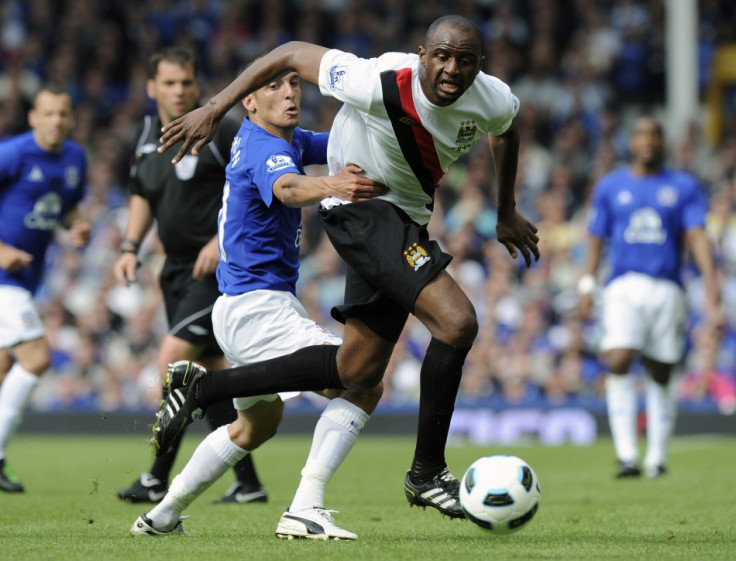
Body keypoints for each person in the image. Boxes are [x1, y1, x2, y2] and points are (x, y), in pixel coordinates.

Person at [152, 14, 539, 519]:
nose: (451, 70)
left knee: (357, 373)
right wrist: (213, 107)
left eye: (465, 61)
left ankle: (201, 397)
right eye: (441, 57)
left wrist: (505, 208)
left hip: (401, 221)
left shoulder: (493, 98)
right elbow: (290, 54)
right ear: (421, 56)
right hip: (361, 216)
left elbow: (507, 130)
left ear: (480, 66)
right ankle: (425, 471)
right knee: (458, 321)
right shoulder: (374, 81)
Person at [131, 68, 387, 539]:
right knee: (361, 381)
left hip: (241, 307)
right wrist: (334, 185)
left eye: (294, 83)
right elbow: (288, 188)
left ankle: (162, 515)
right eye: (273, 86)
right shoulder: (265, 148)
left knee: (255, 428)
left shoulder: (283, 140)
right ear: (247, 103)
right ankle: (305, 506)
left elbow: (336, 143)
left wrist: (394, 135)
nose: (289, 92)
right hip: (257, 308)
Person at [113, 47, 267, 504]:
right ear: (152, 88)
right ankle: (248, 484)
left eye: (186, 82)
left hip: (219, 269)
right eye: (170, 83)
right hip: (175, 272)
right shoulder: (145, 136)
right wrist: (129, 245)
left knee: (174, 363)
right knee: (210, 375)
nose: (179, 91)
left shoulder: (221, 131)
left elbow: (252, 186)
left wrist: (219, 240)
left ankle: (157, 478)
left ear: (198, 86)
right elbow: (142, 190)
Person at [578, 116, 722, 478]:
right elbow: (596, 238)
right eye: (641, 134)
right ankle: (627, 455)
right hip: (623, 284)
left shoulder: (683, 186)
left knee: (661, 370)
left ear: (662, 142)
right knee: (619, 358)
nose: (648, 141)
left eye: (654, 134)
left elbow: (697, 234)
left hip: (667, 285)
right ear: (632, 141)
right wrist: (586, 284)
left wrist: (710, 280)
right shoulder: (611, 186)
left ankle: (656, 457)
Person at [0, 84, 91, 492]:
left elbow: (66, 205)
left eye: (63, 114)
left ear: (71, 119)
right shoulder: (12, 154)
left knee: (4, 368)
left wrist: (77, 226)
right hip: (3, 278)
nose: (56, 120)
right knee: (36, 357)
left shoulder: (74, 158)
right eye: (48, 113)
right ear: (34, 117)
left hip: (25, 281)